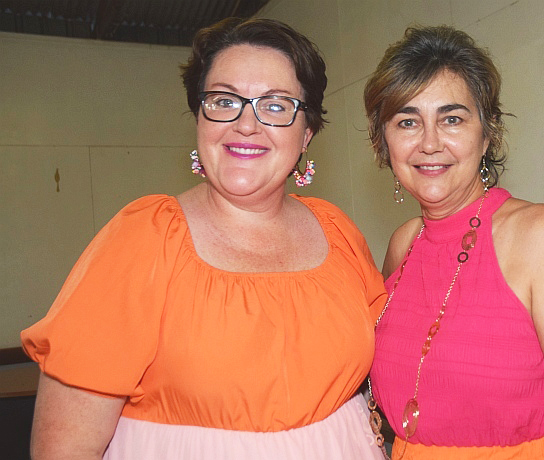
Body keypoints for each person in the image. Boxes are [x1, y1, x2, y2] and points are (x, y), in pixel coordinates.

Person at [22, 18, 387, 460]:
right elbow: (64, 449)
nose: (246, 124)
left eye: (275, 105)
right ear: (199, 117)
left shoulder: (339, 232)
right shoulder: (142, 239)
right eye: (224, 100)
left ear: (306, 133)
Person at [364, 26, 544, 459]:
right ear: (384, 142)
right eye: (407, 121)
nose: (429, 143)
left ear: (487, 134)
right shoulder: (404, 244)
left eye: (452, 119)